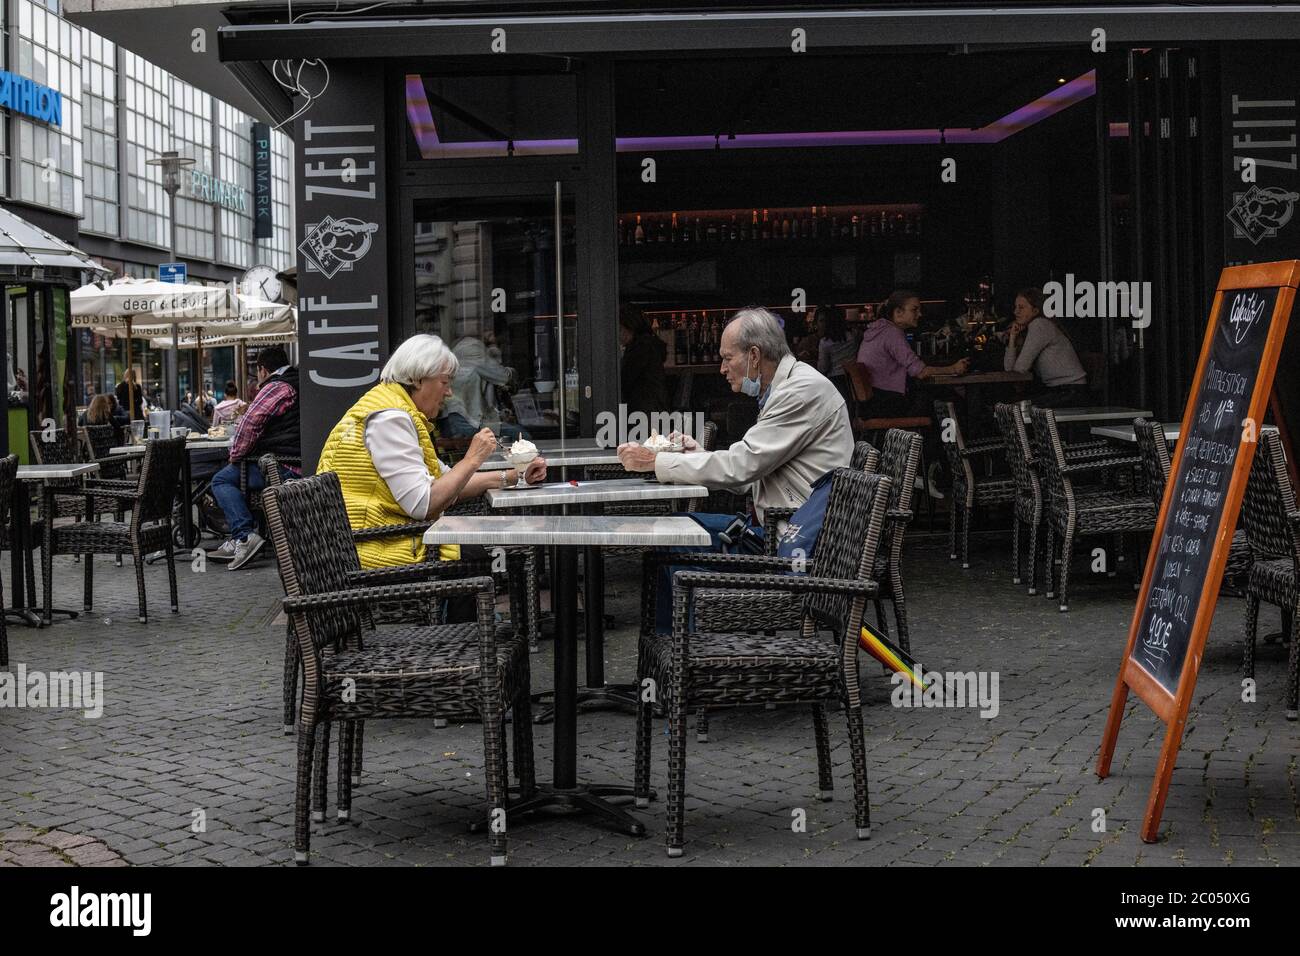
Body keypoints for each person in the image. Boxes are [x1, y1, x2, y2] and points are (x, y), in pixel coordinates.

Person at [616, 307, 854, 632]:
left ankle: (690, 659)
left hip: (789, 543)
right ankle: (672, 653)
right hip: (776, 531)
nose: (722, 368)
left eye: (728, 358)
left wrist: (655, 461)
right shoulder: (787, 387)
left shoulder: (800, 392)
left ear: (754, 355)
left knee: (675, 542)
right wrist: (697, 455)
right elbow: (749, 472)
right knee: (672, 531)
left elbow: (741, 468)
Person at [317, 333, 548, 573]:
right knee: (506, 541)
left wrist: (514, 476)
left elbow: (446, 481)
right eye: (445, 382)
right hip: (376, 550)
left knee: (495, 535)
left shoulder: (391, 409)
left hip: (373, 541)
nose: (449, 393)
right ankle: (469, 609)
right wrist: (472, 459)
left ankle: (473, 608)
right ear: (418, 380)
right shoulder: (390, 419)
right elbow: (423, 504)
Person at [208, 346, 301, 569]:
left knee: (221, 479)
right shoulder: (298, 380)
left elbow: (249, 424)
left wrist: (235, 455)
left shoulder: (277, 386)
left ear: (262, 370)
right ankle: (239, 535)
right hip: (296, 461)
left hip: (281, 466)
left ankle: (243, 537)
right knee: (235, 474)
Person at [857, 290, 970, 417]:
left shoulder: (878, 330)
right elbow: (920, 372)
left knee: (937, 394)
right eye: (914, 310)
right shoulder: (892, 333)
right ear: (898, 312)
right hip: (888, 403)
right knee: (950, 401)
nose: (920, 314)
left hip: (872, 403)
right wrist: (953, 369)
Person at [1001, 286, 1088, 407]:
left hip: (1071, 391)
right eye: (1015, 307)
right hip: (1060, 390)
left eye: (1021, 307)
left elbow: (1020, 369)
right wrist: (1012, 338)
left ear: (1035, 311)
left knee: (1017, 410)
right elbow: (1010, 370)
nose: (1016, 312)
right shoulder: (1034, 326)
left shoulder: (1040, 325)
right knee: (1015, 408)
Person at [439, 329, 524, 440]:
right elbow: (501, 376)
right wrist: (510, 371)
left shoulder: (462, 346)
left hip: (455, 417)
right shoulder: (474, 348)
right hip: (462, 420)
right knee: (521, 434)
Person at [619, 305, 669, 418]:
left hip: (643, 412)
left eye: (620, 329)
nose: (618, 334)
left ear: (629, 327)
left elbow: (625, 378)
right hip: (653, 409)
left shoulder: (640, 347)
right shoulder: (649, 344)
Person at [815, 305, 860, 380]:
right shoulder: (854, 335)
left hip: (836, 379)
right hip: (854, 377)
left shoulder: (825, 342)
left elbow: (823, 368)